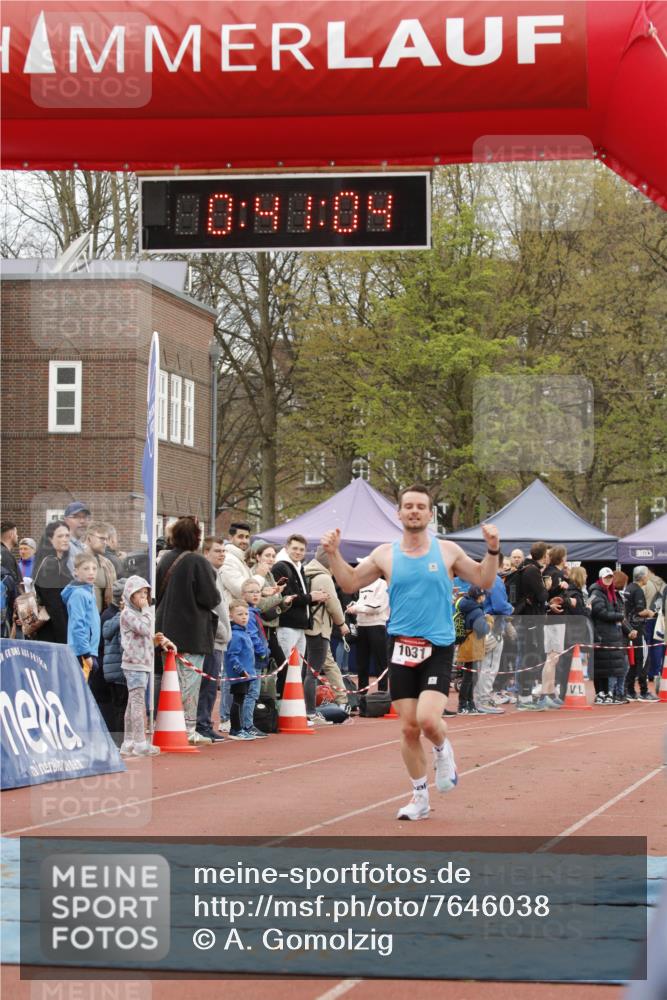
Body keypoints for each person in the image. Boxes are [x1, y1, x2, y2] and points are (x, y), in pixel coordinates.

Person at [321, 484, 499, 821]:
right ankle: (419, 798)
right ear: (399, 514)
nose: (414, 511)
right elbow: (349, 584)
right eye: (409, 506)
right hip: (400, 646)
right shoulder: (385, 554)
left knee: (429, 720)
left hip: (437, 647)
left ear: (430, 514)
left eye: (421, 507)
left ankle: (443, 750)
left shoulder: (446, 551)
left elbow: (484, 580)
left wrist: (492, 551)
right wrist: (333, 553)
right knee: (407, 729)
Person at [155, 516, 221, 745]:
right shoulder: (198, 562)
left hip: (166, 629)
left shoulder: (164, 560)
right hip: (192, 631)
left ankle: (167, 724)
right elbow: (211, 598)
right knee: (190, 683)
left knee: (169, 680)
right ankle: (187, 728)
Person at [120, 575, 176, 757]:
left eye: (146, 593)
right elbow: (144, 628)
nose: (144, 597)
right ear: (131, 595)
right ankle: (140, 742)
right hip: (134, 664)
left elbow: (149, 635)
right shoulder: (128, 614)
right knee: (137, 703)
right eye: (140, 593)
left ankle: (128, 741)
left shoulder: (142, 614)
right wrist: (147, 610)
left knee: (132, 703)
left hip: (143, 663)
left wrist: (161, 640)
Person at [304, 547, 350, 722]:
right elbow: (333, 604)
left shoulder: (307, 573)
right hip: (318, 628)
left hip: (306, 628)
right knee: (314, 672)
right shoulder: (324, 577)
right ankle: (313, 712)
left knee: (307, 671)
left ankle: (305, 709)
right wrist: (342, 624)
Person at [272, 534, 329, 664]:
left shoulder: (299, 567)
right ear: (286, 548)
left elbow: (299, 595)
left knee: (296, 671)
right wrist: (310, 597)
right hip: (286, 625)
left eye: (301, 549)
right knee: (285, 668)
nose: (298, 552)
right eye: (295, 548)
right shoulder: (280, 567)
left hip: (300, 626)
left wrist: (315, 599)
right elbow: (286, 596)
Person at [196, 537, 230, 743]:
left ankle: (205, 722)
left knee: (210, 685)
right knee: (207, 685)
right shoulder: (206, 574)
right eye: (217, 550)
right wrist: (219, 630)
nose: (222, 554)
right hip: (211, 639)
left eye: (224, 551)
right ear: (205, 552)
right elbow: (209, 607)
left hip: (218, 638)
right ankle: (202, 724)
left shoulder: (217, 574)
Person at [589, 567, 636, 705]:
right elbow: (599, 612)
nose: (609, 580)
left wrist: (623, 623)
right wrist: (618, 616)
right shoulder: (596, 592)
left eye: (610, 577)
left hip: (612, 634)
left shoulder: (611, 593)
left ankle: (609, 693)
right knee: (601, 666)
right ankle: (601, 693)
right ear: (600, 578)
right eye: (606, 578)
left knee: (609, 666)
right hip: (601, 634)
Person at [345, 575, 389, 715]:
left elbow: (376, 607)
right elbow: (363, 603)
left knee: (381, 663)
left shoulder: (382, 584)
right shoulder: (363, 585)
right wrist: (354, 605)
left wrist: (356, 608)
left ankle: (382, 696)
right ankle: (361, 699)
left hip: (377, 625)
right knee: (361, 664)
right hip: (362, 626)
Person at [475, 571, 514, 713]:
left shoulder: (480, 577)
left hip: (482, 623)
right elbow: (499, 606)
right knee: (489, 666)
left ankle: (482, 698)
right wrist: (510, 608)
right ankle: (483, 700)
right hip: (493, 626)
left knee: (484, 666)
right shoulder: (494, 580)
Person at [61, 553, 101, 681]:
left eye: (94, 568)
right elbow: (78, 626)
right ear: (76, 572)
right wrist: (86, 654)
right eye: (86, 568)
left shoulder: (89, 591)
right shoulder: (79, 594)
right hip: (81, 653)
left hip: (87, 651)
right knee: (81, 691)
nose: (91, 572)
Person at [239, 578, 271, 737]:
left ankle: (245, 724)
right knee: (251, 693)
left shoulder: (254, 612)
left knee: (251, 692)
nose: (255, 595)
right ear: (243, 595)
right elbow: (252, 635)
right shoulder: (250, 614)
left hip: (255, 658)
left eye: (258, 591)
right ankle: (247, 725)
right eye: (251, 592)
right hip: (253, 659)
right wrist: (263, 651)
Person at [31, 521, 72, 644]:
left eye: (67, 535)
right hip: (53, 630)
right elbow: (54, 606)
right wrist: (65, 641)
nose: (65, 539)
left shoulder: (59, 562)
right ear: (50, 539)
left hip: (56, 626)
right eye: (60, 536)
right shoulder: (51, 564)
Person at [224, 599, 257, 741]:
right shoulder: (236, 635)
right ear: (231, 616)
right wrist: (240, 670)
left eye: (246, 614)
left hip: (247, 674)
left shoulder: (245, 633)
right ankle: (235, 729)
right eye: (240, 614)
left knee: (242, 700)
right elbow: (232, 655)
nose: (244, 617)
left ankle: (241, 728)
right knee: (238, 701)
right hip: (240, 675)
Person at [624, 565, 658, 701]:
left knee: (633, 661)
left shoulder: (629, 588)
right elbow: (639, 611)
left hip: (629, 628)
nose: (648, 577)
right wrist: (650, 612)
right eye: (647, 575)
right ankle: (643, 691)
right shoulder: (637, 590)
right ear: (643, 576)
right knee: (644, 660)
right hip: (638, 629)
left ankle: (629, 690)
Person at [457, 586, 492, 715]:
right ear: (479, 597)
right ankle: (463, 705)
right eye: (483, 596)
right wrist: (489, 621)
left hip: (466, 644)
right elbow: (482, 630)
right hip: (473, 645)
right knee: (470, 677)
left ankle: (470, 704)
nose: (485, 598)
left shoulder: (466, 605)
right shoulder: (476, 611)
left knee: (470, 676)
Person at [101, 578, 128, 745]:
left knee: (119, 706)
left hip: (113, 670)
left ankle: (119, 740)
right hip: (119, 670)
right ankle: (119, 741)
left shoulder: (108, 615)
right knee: (121, 707)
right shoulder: (117, 618)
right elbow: (122, 645)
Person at [84, 523, 117, 613]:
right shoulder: (75, 561)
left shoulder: (107, 565)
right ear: (89, 539)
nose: (105, 543)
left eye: (106, 539)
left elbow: (112, 597)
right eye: (102, 538)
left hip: (100, 620)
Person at [219, 521, 253, 598]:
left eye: (247, 537)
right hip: (232, 609)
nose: (245, 541)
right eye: (240, 537)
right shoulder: (228, 560)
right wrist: (260, 576)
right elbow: (242, 591)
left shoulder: (240, 558)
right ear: (230, 538)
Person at [63, 501, 91, 573]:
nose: (82, 521)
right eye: (76, 517)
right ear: (66, 520)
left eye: (85, 517)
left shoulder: (81, 547)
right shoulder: (65, 546)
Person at [1, 520, 22, 587]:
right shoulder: (5, 555)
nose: (17, 536)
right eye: (16, 533)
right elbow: (11, 583)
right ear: (11, 534)